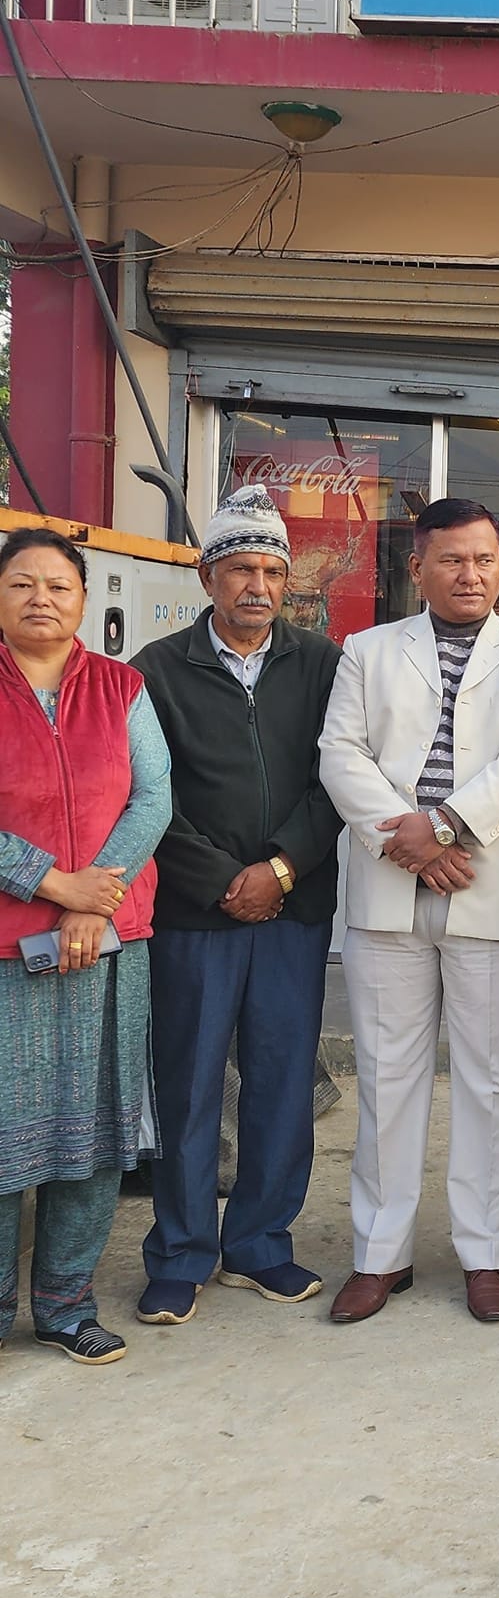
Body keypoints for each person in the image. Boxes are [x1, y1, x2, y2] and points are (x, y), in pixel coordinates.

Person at [318, 497, 499, 1325]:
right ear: (417, 567)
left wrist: (446, 827)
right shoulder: (367, 650)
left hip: (487, 892)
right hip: (388, 890)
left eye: (486, 559)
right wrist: (411, 841)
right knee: (386, 1078)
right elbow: (340, 753)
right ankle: (379, 1254)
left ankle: (486, 1252)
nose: (472, 574)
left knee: (493, 1081)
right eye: (454, 560)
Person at [131, 487, 343, 1324]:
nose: (258, 585)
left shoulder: (323, 664)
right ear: (206, 575)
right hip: (196, 915)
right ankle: (181, 1253)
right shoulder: (155, 670)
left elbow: (338, 778)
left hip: (293, 910)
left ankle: (259, 1244)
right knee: (188, 1086)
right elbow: (146, 794)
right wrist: (225, 879)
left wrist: (281, 869)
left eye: (272, 571)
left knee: (283, 1082)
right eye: (241, 569)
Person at [0, 527, 171, 1365]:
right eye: (22, 584)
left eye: (59, 585)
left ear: (83, 599)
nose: (41, 598)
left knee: (95, 1134)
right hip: (6, 950)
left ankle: (67, 1306)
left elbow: (154, 796)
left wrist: (91, 898)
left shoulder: (121, 686)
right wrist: (50, 883)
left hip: (107, 945)